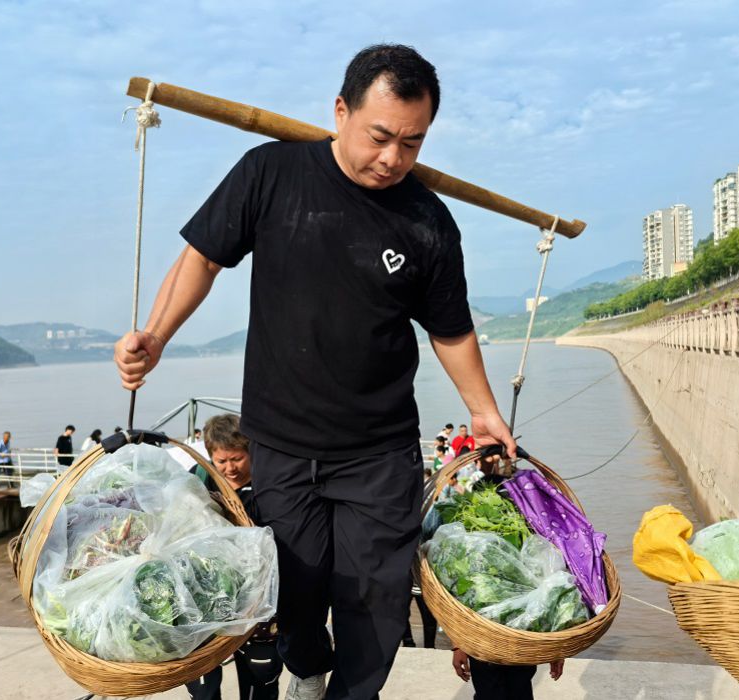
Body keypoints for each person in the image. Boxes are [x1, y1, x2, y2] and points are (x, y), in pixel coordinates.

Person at [113, 44, 516, 700]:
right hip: (281, 442)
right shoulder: (269, 173)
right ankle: (307, 667)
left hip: (378, 452)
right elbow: (202, 258)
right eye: (379, 136)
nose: (391, 158)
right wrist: (156, 336)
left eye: (411, 144)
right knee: (292, 593)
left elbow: (449, 328)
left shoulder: (427, 222)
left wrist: (483, 411)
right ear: (340, 111)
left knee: (375, 603)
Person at [448, 457, 564, 698]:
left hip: (515, 642)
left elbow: (549, 593)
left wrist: (555, 649)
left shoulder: (528, 541)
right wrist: (459, 645)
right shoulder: (470, 547)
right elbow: (457, 601)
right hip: (488, 641)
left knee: (514, 690)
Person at [185, 414, 282, 700]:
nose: (230, 468)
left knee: (261, 678)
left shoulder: (271, 487)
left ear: (250, 451)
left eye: (236, 459)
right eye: (222, 461)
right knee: (202, 684)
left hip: (258, 603)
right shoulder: (199, 478)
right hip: (208, 598)